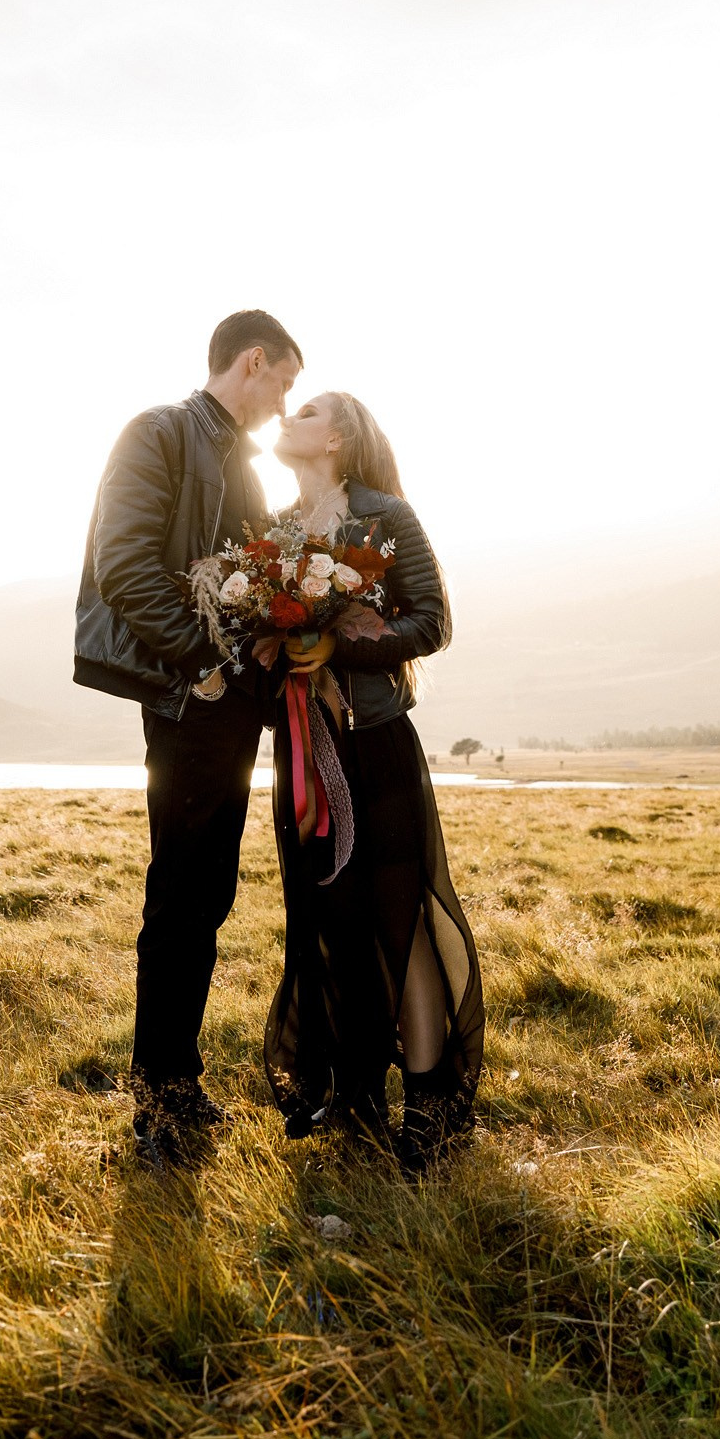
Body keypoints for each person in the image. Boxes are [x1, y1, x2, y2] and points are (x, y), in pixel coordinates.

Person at [74, 309, 302, 1163]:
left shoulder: (238, 463)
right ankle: (159, 1103)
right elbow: (124, 566)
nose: (285, 403)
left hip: (228, 707)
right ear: (253, 362)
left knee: (208, 897)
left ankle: (180, 1081)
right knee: (180, 898)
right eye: (283, 382)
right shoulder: (159, 434)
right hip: (187, 701)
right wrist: (208, 666)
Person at [260, 392, 483, 1175]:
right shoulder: (275, 532)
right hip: (303, 757)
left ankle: (427, 1106)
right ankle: (353, 1099)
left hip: (375, 744)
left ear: (341, 435)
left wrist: (341, 650)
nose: (289, 415)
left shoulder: (387, 516)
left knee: (401, 924)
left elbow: (432, 623)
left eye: (308, 409)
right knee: (333, 924)